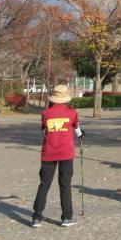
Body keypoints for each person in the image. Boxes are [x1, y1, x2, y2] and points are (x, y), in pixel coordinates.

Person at [32, 85, 83, 228]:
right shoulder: (72, 113)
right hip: (66, 153)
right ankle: (67, 217)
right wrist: (81, 135)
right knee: (65, 184)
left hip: (49, 152)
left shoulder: (46, 113)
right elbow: (78, 131)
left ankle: (37, 217)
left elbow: (44, 131)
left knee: (44, 184)